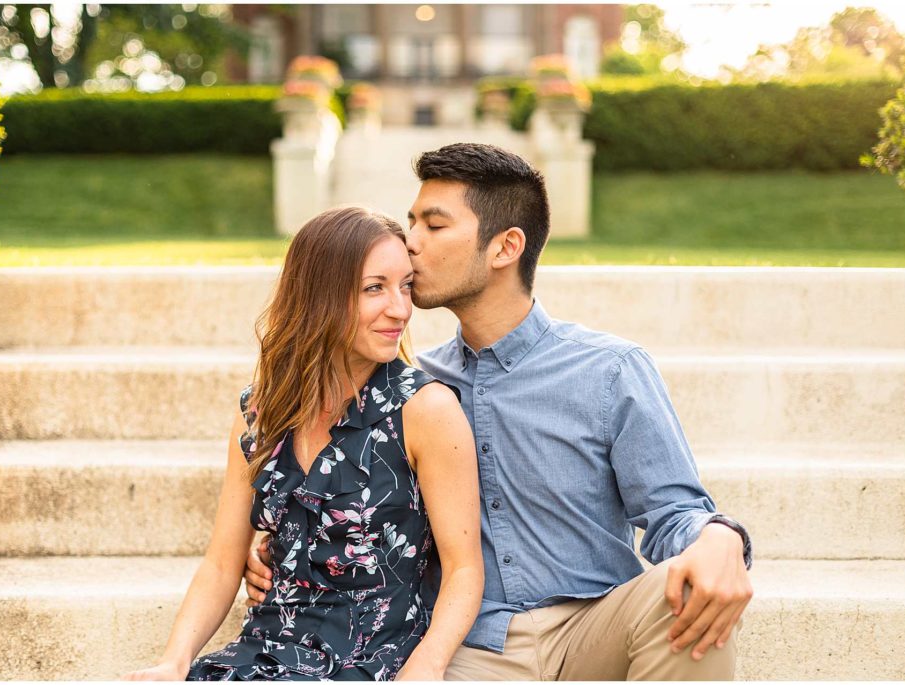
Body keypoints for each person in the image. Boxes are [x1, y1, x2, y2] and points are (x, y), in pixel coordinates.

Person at [244, 144, 754, 680]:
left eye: (433, 226)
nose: (408, 243)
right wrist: (287, 543)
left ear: (505, 247)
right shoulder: (409, 390)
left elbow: (675, 513)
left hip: (596, 627)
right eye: (411, 220)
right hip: (472, 650)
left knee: (686, 590)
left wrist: (722, 535)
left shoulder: (610, 370)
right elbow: (340, 479)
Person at [122, 205, 483, 681]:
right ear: (318, 296)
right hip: (263, 654)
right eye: (374, 288)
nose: (399, 308)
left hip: (368, 662)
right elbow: (221, 564)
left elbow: (463, 570)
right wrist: (175, 659)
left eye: (405, 286)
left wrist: (425, 669)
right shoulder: (260, 413)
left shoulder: (425, 410)